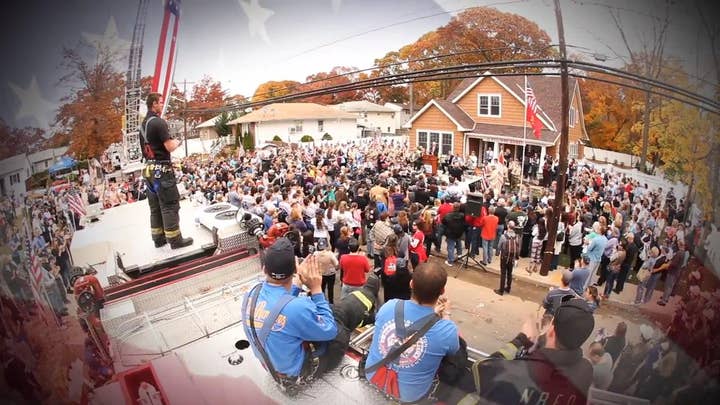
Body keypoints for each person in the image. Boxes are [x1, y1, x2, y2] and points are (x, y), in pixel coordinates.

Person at [241, 238, 338, 389]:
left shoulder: (250, 292)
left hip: (269, 365)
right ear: (294, 270)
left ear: (264, 269)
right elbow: (330, 330)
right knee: (340, 332)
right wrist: (316, 289)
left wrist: (295, 287)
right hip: (294, 374)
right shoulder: (298, 307)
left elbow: (277, 307)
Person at [362, 262, 460, 404]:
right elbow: (454, 350)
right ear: (442, 291)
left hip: (373, 376)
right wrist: (446, 315)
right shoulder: (447, 329)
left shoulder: (390, 305)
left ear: (411, 284)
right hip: (410, 396)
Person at [472, 298, 595, 404]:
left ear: (551, 331)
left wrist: (521, 339)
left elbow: (480, 367)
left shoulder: (515, 372)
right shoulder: (586, 371)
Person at [140, 93, 192, 249]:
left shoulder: (143, 124)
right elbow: (169, 146)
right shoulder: (158, 123)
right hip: (162, 171)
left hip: (149, 170)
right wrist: (177, 141)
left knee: (155, 207)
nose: (162, 105)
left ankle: (158, 238)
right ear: (154, 103)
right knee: (169, 205)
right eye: (161, 102)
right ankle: (175, 240)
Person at [658, 242, 688, 306]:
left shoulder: (679, 253)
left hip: (673, 272)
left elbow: (674, 263)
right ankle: (666, 297)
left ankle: (664, 300)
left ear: (680, 245)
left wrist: (668, 265)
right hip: (676, 272)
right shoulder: (683, 253)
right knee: (670, 286)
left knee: (668, 286)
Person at [495, 220, 520, 296]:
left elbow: (499, 246)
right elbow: (518, 247)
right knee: (510, 273)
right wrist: (516, 257)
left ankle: (501, 290)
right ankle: (508, 288)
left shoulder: (503, 236)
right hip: (512, 258)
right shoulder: (516, 236)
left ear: (508, 226)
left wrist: (497, 253)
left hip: (504, 257)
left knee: (503, 273)